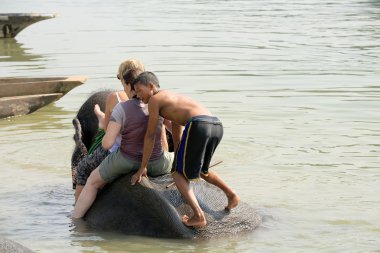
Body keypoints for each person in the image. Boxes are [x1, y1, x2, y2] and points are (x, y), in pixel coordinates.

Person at [130, 71, 240, 227]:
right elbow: (177, 133)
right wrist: (180, 158)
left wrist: (143, 167)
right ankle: (231, 194)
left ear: (151, 86)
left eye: (139, 90)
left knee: (176, 173)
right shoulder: (173, 99)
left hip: (198, 125)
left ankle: (198, 215)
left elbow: (150, 135)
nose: (138, 95)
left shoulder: (154, 100)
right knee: (202, 170)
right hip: (215, 125)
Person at [72, 69, 173, 219]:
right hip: (156, 162)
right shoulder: (159, 105)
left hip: (126, 160)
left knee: (92, 181)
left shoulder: (122, 108)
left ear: (129, 86)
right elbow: (175, 130)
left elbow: (107, 144)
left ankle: (76, 220)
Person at [73, 59, 145, 202]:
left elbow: (107, 133)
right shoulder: (150, 97)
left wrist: (104, 120)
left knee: (82, 169)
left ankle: (76, 207)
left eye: (119, 78)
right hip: (146, 151)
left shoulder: (116, 97)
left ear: (124, 79)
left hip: (121, 149)